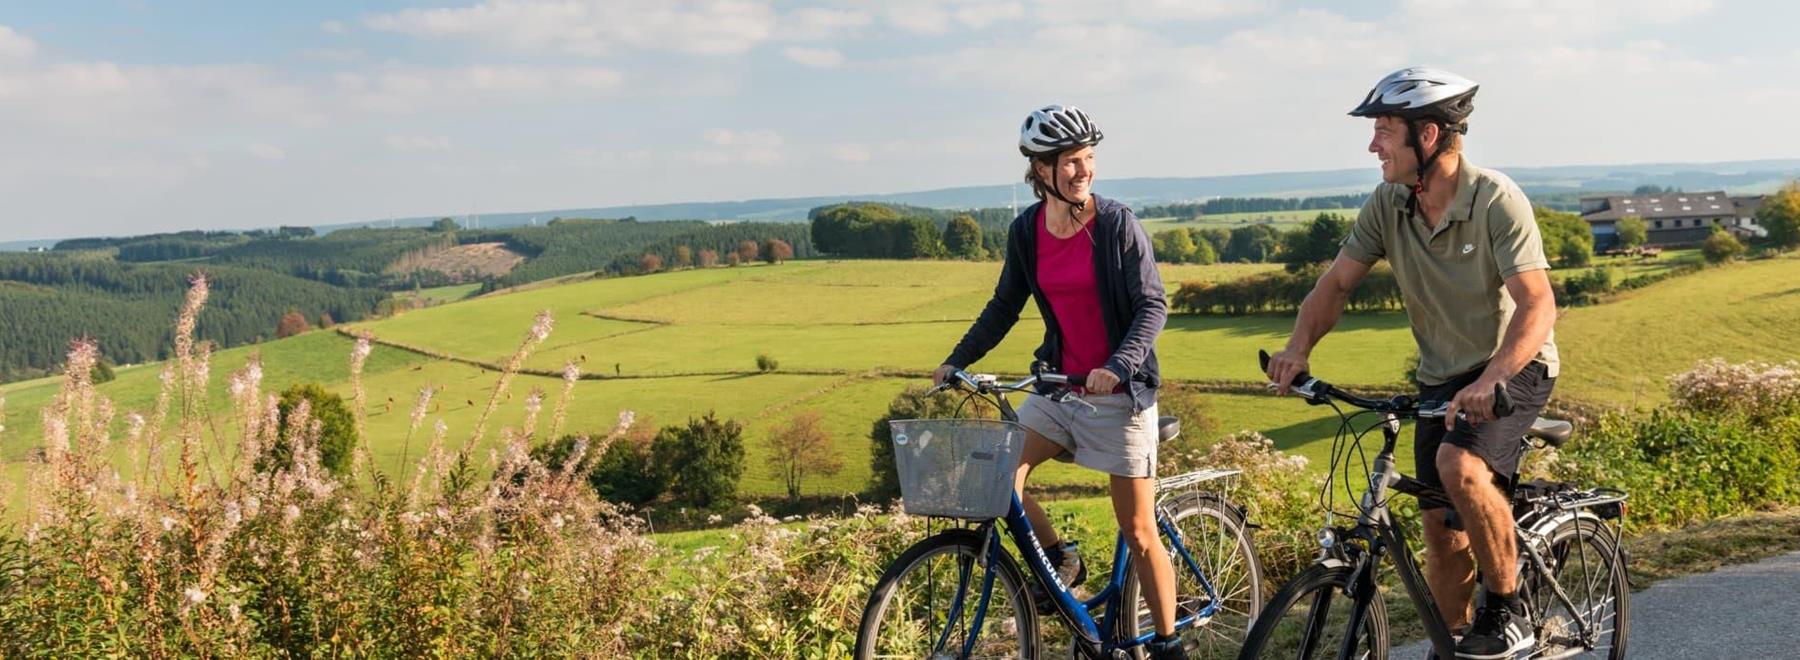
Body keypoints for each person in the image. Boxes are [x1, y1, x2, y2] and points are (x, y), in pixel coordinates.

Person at [1265, 68, 1559, 660]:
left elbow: (1538, 303)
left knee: (1461, 464)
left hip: (1511, 366)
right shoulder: (1389, 202)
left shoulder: (1494, 199)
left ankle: (1509, 610)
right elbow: (1336, 285)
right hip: (1440, 377)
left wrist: (1493, 378)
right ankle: (1452, 646)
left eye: (1383, 131)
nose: (1373, 145)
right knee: (1440, 529)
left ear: (1428, 136)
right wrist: (1298, 349)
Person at [934, 104, 1185, 658]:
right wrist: (957, 360)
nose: (1084, 171)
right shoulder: (1027, 231)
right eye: (1072, 161)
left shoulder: (1117, 224)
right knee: (996, 478)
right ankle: (1062, 557)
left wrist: (1118, 366)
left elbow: (1152, 305)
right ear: (1041, 169)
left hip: (1120, 396)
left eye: (1089, 158)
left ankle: (1168, 646)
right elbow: (1004, 307)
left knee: (1140, 532)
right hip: (1059, 390)